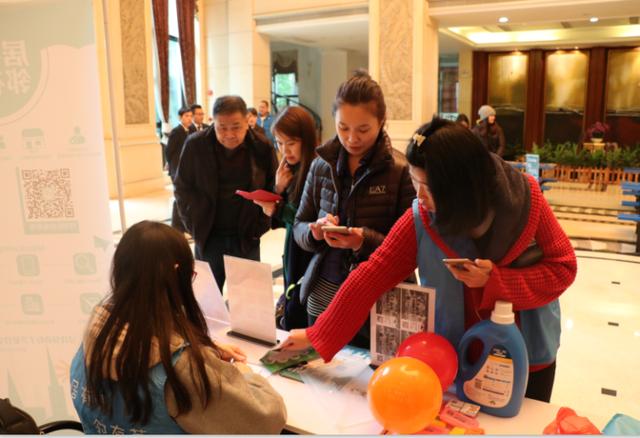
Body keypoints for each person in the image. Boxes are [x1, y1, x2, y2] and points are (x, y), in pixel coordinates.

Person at [282, 117, 577, 403]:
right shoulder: (422, 218)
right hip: (455, 357)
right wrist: (317, 335)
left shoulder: (526, 200)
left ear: (461, 185)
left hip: (526, 355)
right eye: (414, 181)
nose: (419, 196)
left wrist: (495, 282)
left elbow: (563, 268)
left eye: (429, 187)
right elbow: (372, 275)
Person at [69, 221, 286, 434]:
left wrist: (201, 346)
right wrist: (241, 373)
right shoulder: (182, 371)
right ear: (175, 274)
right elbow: (267, 419)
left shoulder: (99, 332)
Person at [292, 71, 415, 348]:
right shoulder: (321, 165)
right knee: (322, 379)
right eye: (343, 127)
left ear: (381, 122)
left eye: (363, 129)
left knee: (368, 381)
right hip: (324, 289)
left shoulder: (400, 170)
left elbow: (411, 249)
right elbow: (299, 225)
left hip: (378, 299)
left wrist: (364, 240)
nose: (351, 138)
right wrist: (314, 233)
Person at [174, 96, 277, 291]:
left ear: (247, 121)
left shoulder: (261, 147)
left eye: (236, 127)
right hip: (209, 235)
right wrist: (193, 224)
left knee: (250, 303)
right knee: (207, 303)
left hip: (247, 236)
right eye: (222, 127)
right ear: (213, 122)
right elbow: (182, 187)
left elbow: (272, 187)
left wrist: (261, 225)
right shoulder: (196, 145)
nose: (229, 134)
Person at [253, 106, 318, 330]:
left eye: (290, 143)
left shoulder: (317, 169)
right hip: (293, 249)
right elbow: (286, 220)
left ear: (306, 140)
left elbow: (307, 219)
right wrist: (278, 189)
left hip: (309, 254)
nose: (284, 150)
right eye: (279, 143)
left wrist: (277, 208)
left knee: (301, 310)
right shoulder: (292, 169)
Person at [166, 106, 193, 231]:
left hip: (188, 168)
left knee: (187, 197)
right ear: (180, 117)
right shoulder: (176, 132)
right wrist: (171, 167)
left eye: (190, 116)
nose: (189, 119)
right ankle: (177, 226)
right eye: (186, 116)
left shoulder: (192, 129)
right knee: (179, 197)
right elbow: (169, 151)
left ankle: (184, 224)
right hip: (177, 169)